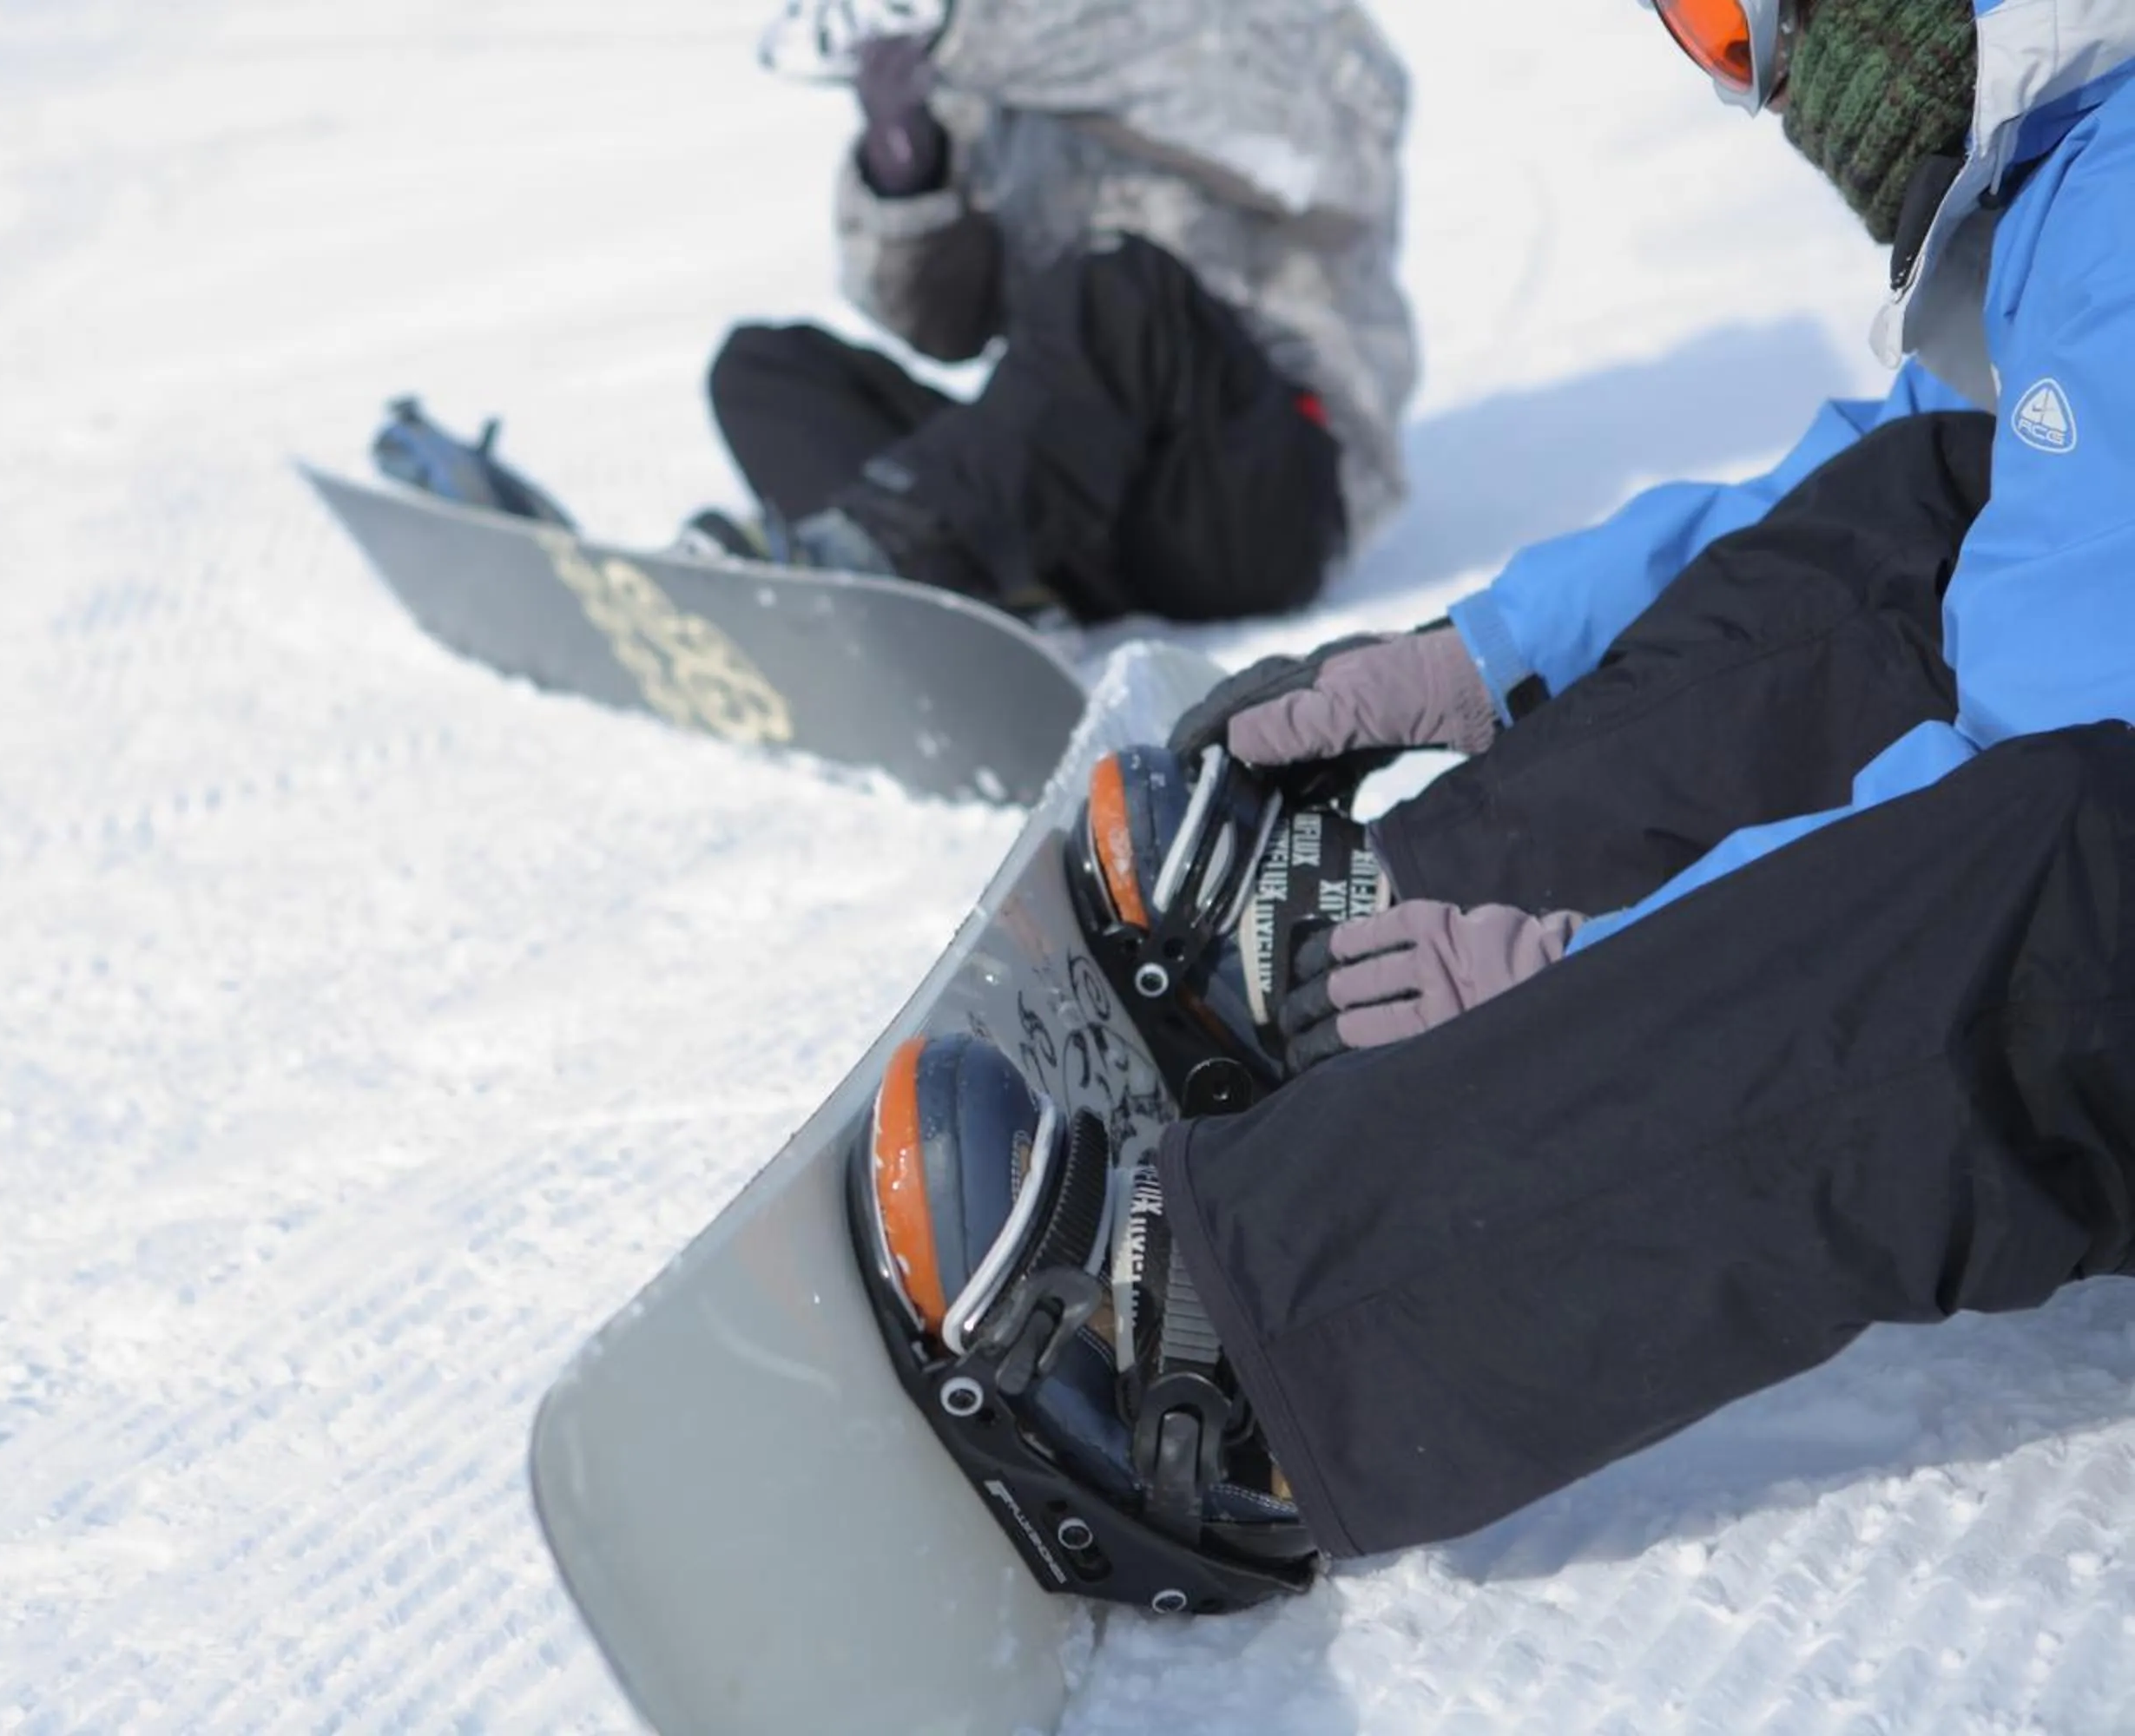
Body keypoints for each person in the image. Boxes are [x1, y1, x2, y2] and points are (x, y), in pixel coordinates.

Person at [880, 0, 2135, 1578]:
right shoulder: (2076, 171)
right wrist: (1476, 657)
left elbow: (2035, 787)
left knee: (2079, 879)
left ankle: (1254, 1352)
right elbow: (1912, 487)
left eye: (1738, 25)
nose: (1764, 88)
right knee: (1923, 503)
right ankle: (1368, 959)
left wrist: (1588, 976)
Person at [702, 0, 1417, 624]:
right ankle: (976, 596)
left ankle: (901, 552)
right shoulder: (993, 94)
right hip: (1068, 510)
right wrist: (909, 176)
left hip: (1260, 505)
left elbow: (1325, 165)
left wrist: (979, 36)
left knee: (1120, 281)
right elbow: (944, 331)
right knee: (763, 370)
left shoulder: (1295, 27)